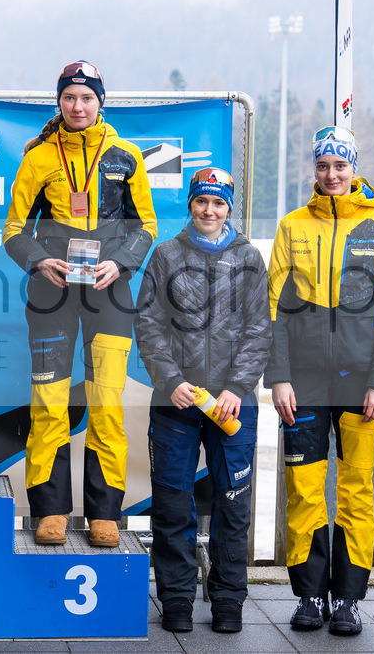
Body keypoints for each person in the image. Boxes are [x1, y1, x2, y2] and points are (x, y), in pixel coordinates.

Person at [3, 60, 157, 548]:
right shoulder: (38, 158)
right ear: (59, 102)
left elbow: (146, 227)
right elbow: (13, 232)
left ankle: (104, 513)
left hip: (109, 295)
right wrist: (38, 262)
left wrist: (123, 264)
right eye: (69, 97)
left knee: (106, 404)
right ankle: (50, 510)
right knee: (49, 404)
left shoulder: (126, 156)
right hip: (52, 295)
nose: (78, 106)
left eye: (87, 98)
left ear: (100, 102)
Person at [265, 126, 374, 634]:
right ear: (315, 169)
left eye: (340, 166)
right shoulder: (291, 226)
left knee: (355, 491)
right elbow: (274, 313)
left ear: (354, 169)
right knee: (303, 490)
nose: (331, 175)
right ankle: (309, 597)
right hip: (302, 386)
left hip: (360, 386)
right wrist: (279, 377)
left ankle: (347, 599)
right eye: (323, 166)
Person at [134, 168, 270, 633]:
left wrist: (237, 387)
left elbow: (259, 329)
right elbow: (148, 325)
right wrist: (169, 379)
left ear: (229, 207)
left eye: (218, 203)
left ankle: (228, 599)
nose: (209, 210)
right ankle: (175, 598)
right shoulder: (166, 255)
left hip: (234, 406)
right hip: (176, 402)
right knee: (173, 505)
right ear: (190, 204)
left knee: (232, 504)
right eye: (201, 202)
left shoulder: (250, 258)